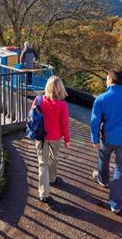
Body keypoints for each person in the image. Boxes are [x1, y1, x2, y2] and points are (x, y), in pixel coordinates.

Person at [90, 71, 122, 214]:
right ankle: (116, 204)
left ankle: (103, 180)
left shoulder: (101, 99)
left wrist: (95, 139)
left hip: (106, 138)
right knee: (120, 170)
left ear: (110, 80)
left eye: (107, 79)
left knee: (103, 159)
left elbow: (95, 122)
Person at [33, 75, 70, 203]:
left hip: (41, 136)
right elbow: (64, 124)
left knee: (42, 163)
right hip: (55, 137)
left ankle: (44, 193)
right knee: (54, 157)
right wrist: (67, 139)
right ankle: (52, 178)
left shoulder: (38, 99)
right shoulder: (62, 105)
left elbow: (33, 116)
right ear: (60, 88)